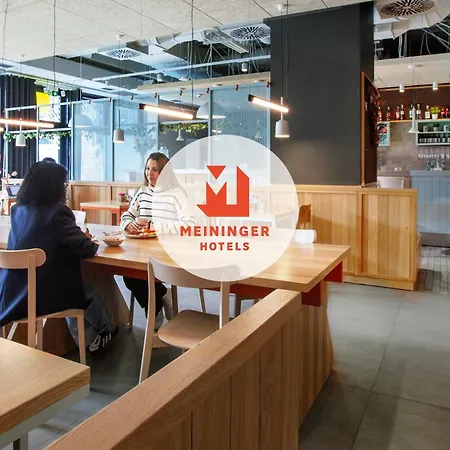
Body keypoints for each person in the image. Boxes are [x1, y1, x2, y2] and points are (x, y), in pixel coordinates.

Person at [0, 161, 116, 352]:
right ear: (54, 185)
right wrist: (85, 238)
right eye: (63, 183)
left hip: (11, 295)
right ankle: (103, 333)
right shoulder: (57, 213)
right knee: (85, 290)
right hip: (40, 297)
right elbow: (87, 249)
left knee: (71, 285)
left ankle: (89, 339)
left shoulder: (18, 210)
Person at [120, 152, 195, 328]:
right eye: (147, 168)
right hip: (141, 251)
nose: (149, 173)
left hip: (167, 252)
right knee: (128, 275)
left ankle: (153, 312)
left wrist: (153, 226)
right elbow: (127, 215)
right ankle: (160, 299)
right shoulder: (142, 193)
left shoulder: (176, 194)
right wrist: (129, 224)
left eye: (155, 169)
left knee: (144, 273)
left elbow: (189, 225)